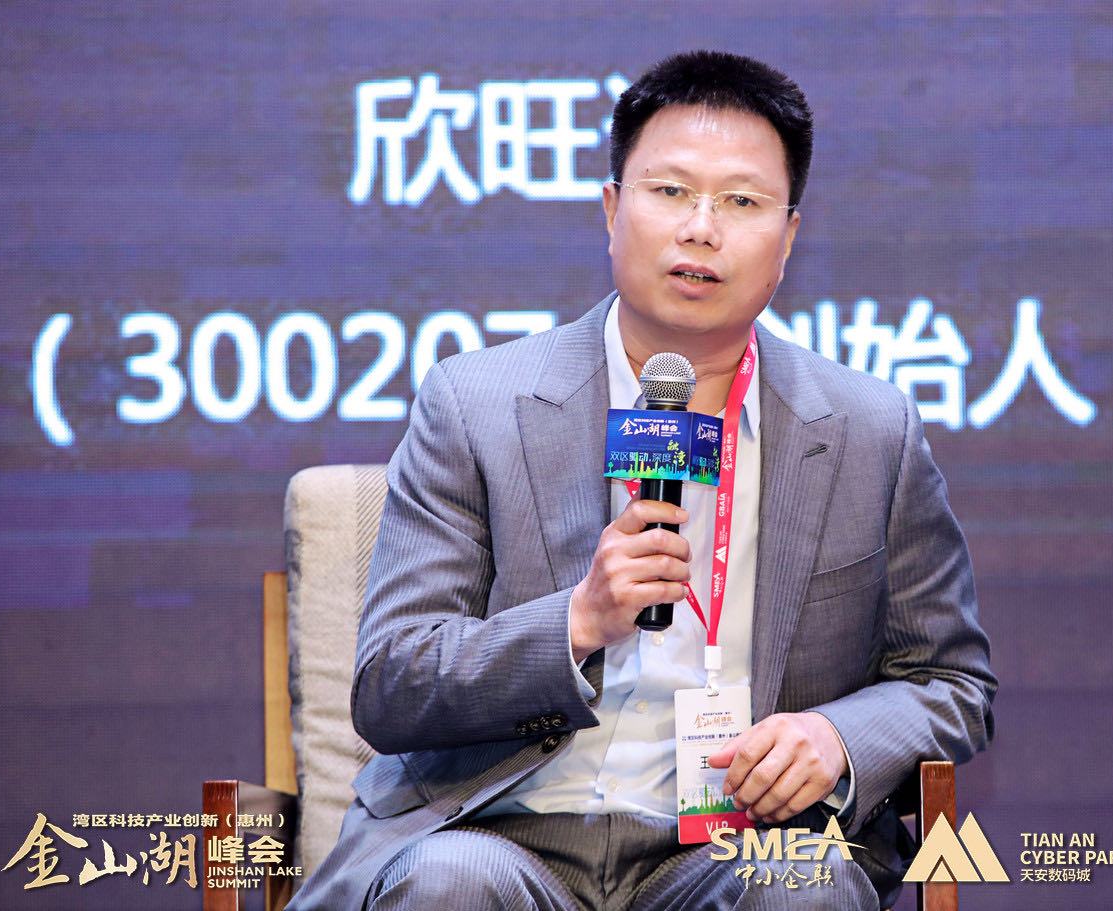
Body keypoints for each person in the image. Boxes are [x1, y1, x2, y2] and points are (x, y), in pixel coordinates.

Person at [288, 50, 995, 911]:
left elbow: (951, 683)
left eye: (741, 201)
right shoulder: (474, 403)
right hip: (500, 833)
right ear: (612, 210)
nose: (701, 228)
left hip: (735, 841)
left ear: (788, 240)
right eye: (670, 191)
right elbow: (392, 683)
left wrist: (837, 736)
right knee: (449, 885)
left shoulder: (870, 431)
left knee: (799, 886)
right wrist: (578, 620)